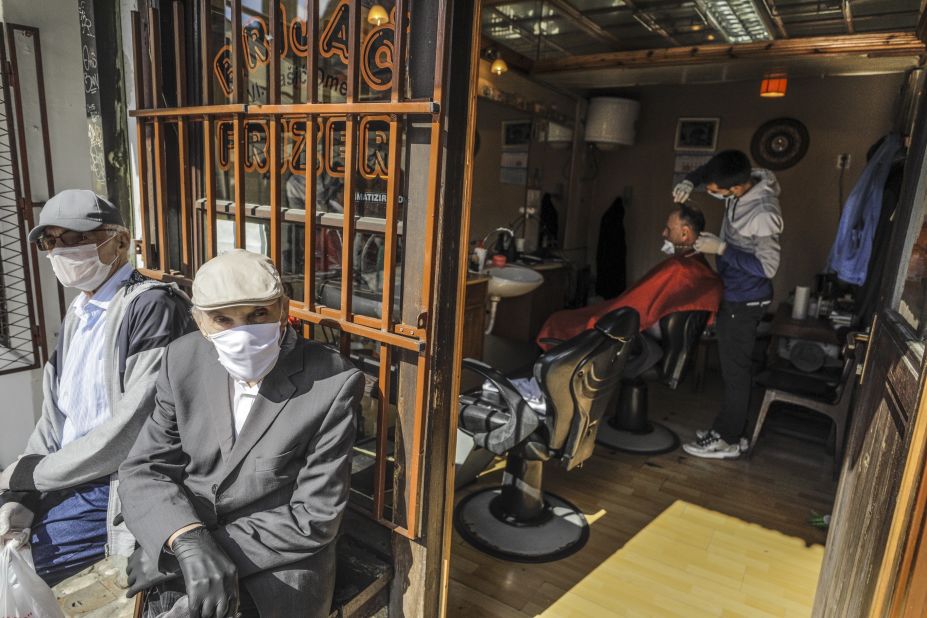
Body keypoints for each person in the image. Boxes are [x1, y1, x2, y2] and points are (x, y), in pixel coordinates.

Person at [118, 249, 364, 618]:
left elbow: (315, 516)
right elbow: (143, 468)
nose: (243, 332)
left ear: (283, 308)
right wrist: (183, 539)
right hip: (190, 540)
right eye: (223, 319)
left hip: (275, 567)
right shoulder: (182, 360)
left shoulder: (332, 382)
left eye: (257, 314)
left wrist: (179, 558)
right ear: (200, 321)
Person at [0, 189, 194, 585]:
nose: (61, 252)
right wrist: (23, 487)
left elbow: (131, 430)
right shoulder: (79, 312)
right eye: (51, 242)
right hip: (66, 474)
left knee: (22, 571)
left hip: (112, 484)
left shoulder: (150, 306)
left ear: (120, 241)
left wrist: (30, 476)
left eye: (75, 238)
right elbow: (54, 416)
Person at [673, 150, 784, 459]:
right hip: (735, 293)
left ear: (734, 189)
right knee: (734, 368)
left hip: (746, 299)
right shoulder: (744, 174)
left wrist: (721, 248)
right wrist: (689, 181)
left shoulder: (763, 212)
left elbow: (768, 266)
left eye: (713, 190)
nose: (709, 192)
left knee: (735, 372)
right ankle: (729, 429)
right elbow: (711, 170)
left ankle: (728, 439)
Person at [537, 204, 723, 362]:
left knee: (560, 320)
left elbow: (637, 304)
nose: (663, 233)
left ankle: (549, 373)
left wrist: (600, 317)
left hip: (635, 328)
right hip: (646, 326)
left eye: (669, 229)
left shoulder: (681, 268)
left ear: (684, 233)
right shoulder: (696, 264)